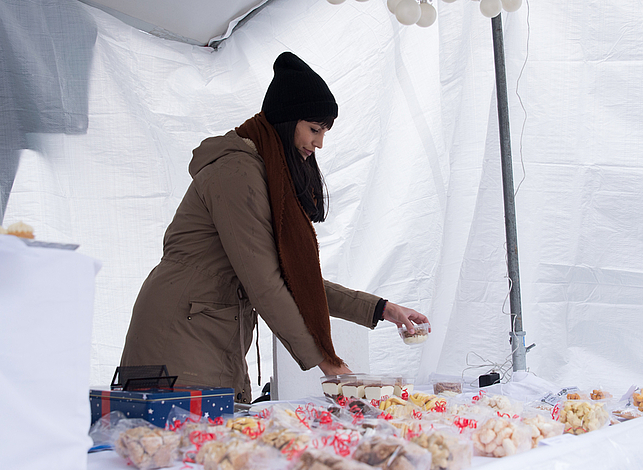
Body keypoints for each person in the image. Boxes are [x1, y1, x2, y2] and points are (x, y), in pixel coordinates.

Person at [120, 52, 430, 403]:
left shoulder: (263, 174)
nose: (319, 143)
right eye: (314, 129)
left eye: (324, 131)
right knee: (183, 450)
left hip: (207, 327)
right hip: (180, 334)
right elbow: (265, 283)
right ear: (285, 121)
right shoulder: (237, 173)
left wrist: (382, 308)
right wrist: (325, 360)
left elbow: (296, 280)